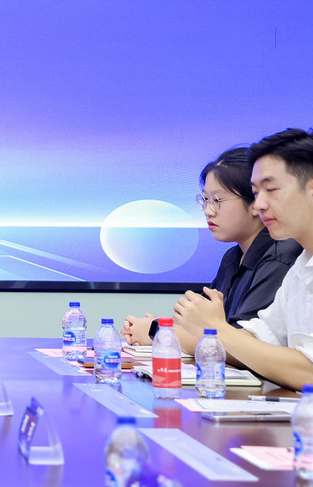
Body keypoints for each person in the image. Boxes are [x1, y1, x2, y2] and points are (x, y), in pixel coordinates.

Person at [173, 128, 313, 390]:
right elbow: (261, 338)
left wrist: (215, 329)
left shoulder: (286, 258)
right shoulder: (301, 266)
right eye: (256, 192)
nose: (259, 205)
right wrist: (203, 328)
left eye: (271, 190)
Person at [122, 148, 300, 353]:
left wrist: (156, 331)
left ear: (255, 201)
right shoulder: (232, 257)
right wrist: (159, 326)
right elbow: (202, 327)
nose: (208, 211)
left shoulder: (279, 258)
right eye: (205, 200)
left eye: (217, 200)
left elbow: (240, 345)